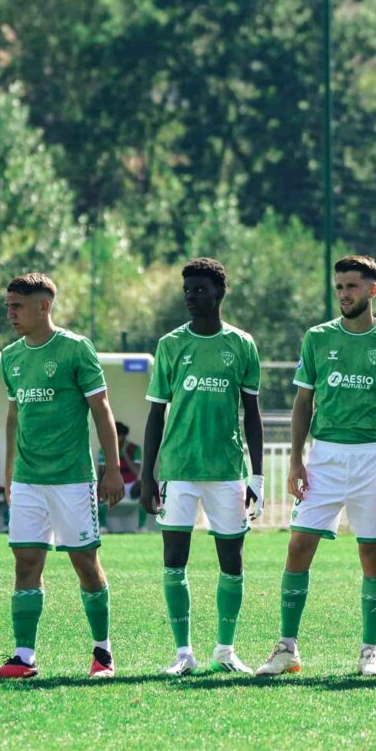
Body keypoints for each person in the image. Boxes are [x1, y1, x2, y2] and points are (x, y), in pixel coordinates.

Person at [256, 255, 376, 678]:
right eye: (340, 287)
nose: (344, 294)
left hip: (372, 459)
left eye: (352, 287)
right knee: (298, 546)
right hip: (323, 457)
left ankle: (370, 653)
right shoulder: (317, 338)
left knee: (372, 553)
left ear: (372, 290)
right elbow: (303, 403)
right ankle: (286, 647)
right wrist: (294, 459)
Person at [0, 273, 126, 680]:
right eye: (8, 305)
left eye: (17, 306)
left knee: (84, 563)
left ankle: (103, 654)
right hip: (28, 479)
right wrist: (9, 475)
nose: (10, 313)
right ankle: (23, 657)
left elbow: (102, 410)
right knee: (25, 562)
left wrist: (111, 468)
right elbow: (13, 418)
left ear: (44, 306)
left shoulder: (76, 349)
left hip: (73, 479)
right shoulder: (10, 356)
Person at [139, 258, 265, 675]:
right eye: (187, 290)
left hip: (227, 470)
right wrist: (147, 474)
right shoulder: (171, 345)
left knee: (232, 561)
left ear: (219, 294)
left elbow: (252, 414)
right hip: (177, 469)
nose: (192, 297)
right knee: (174, 560)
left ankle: (225, 651)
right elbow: (156, 414)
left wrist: (258, 476)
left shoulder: (242, 344)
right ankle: (183, 654)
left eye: (199, 290)